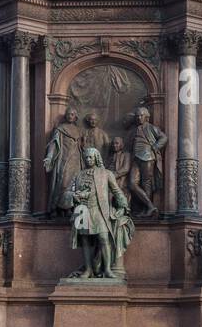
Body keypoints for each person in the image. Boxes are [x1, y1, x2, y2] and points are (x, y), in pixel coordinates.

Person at [64, 146, 133, 278]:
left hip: (99, 209)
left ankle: (107, 269)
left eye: (91, 157)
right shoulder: (79, 175)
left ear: (96, 158)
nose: (88, 159)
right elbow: (67, 192)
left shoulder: (106, 173)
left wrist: (124, 206)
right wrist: (74, 196)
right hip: (82, 210)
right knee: (85, 240)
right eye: (86, 157)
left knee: (103, 238)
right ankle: (88, 270)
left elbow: (116, 191)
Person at [126, 104, 167, 216]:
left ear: (146, 117)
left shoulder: (151, 127)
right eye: (137, 116)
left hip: (147, 157)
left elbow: (163, 137)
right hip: (136, 158)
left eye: (141, 116)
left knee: (146, 183)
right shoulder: (134, 129)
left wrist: (155, 146)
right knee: (132, 183)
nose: (139, 118)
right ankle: (150, 206)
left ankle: (147, 209)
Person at [43, 109, 83, 216]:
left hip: (76, 160)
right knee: (63, 183)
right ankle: (57, 207)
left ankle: (70, 207)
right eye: (69, 114)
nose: (70, 116)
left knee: (75, 184)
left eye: (73, 114)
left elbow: (82, 147)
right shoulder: (60, 129)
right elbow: (54, 144)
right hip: (64, 159)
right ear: (66, 116)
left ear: (75, 117)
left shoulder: (79, 131)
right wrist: (49, 157)